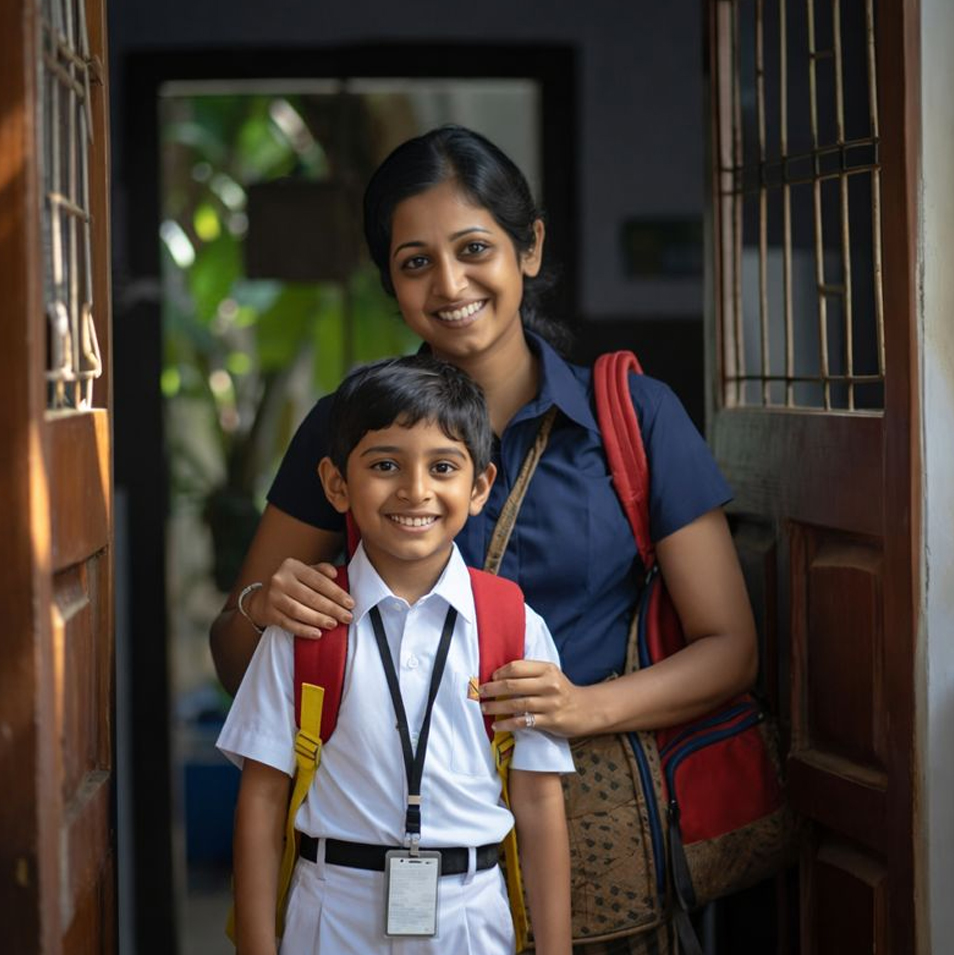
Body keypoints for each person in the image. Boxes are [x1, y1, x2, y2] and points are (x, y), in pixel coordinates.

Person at [211, 125, 757, 954]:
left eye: (474, 248)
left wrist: (579, 707)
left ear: (528, 248)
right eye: (415, 261)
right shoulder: (346, 430)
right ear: (390, 281)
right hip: (365, 878)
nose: (450, 283)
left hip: (594, 841)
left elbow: (731, 648)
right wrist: (263, 603)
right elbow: (237, 653)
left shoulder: (635, 420)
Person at [217, 355, 574, 955]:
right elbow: (261, 797)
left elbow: (538, 801)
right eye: (385, 465)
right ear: (336, 484)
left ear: (479, 486)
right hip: (331, 914)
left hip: (470, 918)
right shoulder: (306, 624)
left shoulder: (513, 626)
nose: (416, 490)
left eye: (443, 467)